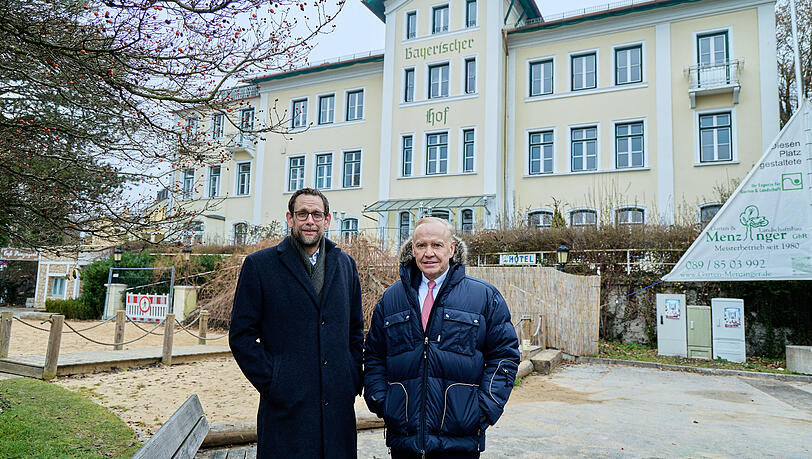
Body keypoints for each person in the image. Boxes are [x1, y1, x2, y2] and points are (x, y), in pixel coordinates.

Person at [363, 217, 520, 458]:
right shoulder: (391, 299)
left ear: (451, 248)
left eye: (437, 245)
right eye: (421, 245)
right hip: (405, 441)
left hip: (460, 441)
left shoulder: (484, 297)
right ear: (412, 249)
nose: (429, 253)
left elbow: (504, 356)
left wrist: (483, 408)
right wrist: (383, 402)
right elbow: (374, 356)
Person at [229, 187, 364, 458]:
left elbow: (355, 329)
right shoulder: (260, 266)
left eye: (316, 214)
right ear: (290, 218)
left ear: (327, 220)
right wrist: (275, 380)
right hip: (286, 412)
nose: (310, 221)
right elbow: (241, 336)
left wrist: (351, 376)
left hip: (337, 410)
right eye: (302, 214)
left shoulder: (346, 265)